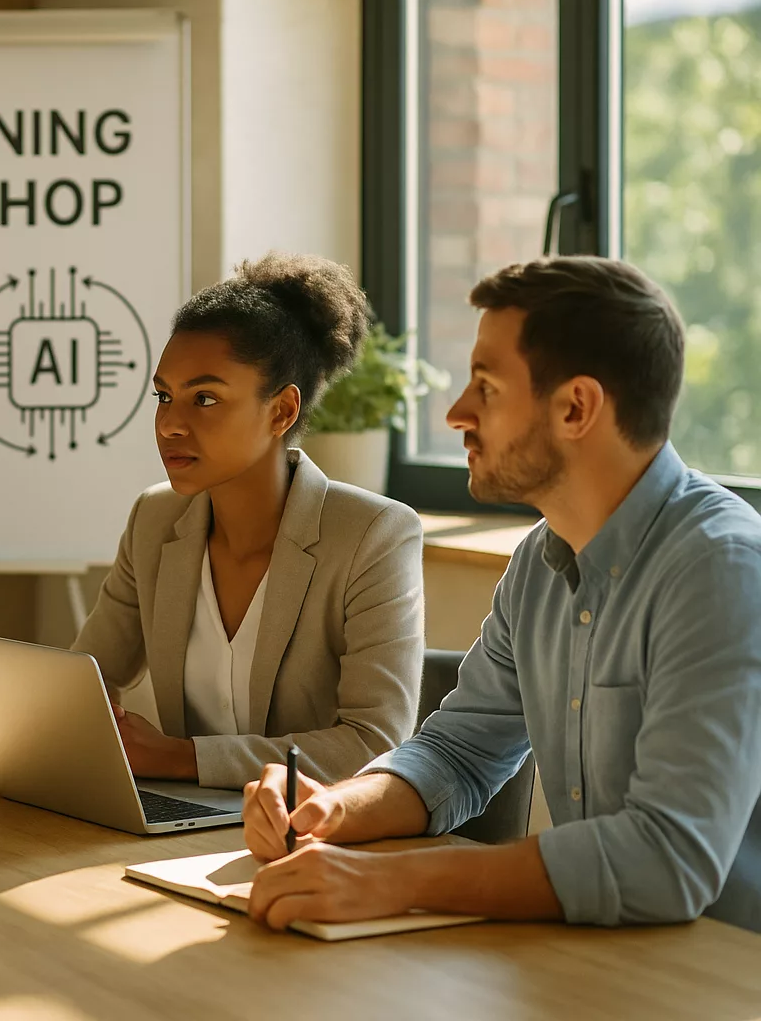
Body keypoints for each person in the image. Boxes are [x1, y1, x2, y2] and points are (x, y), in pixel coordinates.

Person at [240, 256, 761, 934]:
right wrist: (337, 809)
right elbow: (458, 755)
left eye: (485, 386)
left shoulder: (721, 571)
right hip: (599, 961)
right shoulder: (540, 565)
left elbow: (666, 860)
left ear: (576, 407)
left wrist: (391, 881)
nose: (456, 412)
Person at [72, 252, 425, 791]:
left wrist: (180, 758)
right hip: (182, 831)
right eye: (164, 396)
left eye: (204, 398)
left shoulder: (374, 536)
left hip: (314, 839)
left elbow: (373, 744)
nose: (168, 424)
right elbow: (83, 683)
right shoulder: (154, 517)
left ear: (281, 411)